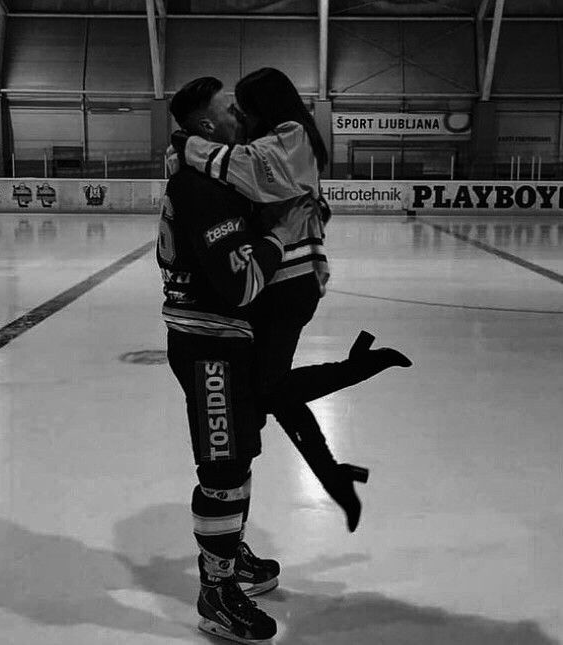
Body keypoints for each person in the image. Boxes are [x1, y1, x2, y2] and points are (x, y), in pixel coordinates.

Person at [171, 67, 412, 534]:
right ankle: (334, 474)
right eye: (231, 107)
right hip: (280, 283)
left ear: (265, 105)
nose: (239, 114)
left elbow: (246, 173)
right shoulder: (274, 141)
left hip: (289, 283)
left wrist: (185, 146)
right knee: (265, 394)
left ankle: (359, 371)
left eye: (243, 105)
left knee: (262, 393)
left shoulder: (291, 135)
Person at [159, 76, 292, 643]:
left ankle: (231, 557)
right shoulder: (201, 188)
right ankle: (216, 593)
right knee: (222, 470)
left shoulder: (216, 177)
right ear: (206, 126)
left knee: (239, 457)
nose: (241, 115)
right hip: (209, 346)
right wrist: (283, 236)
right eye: (229, 110)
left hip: (226, 343)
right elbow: (240, 283)